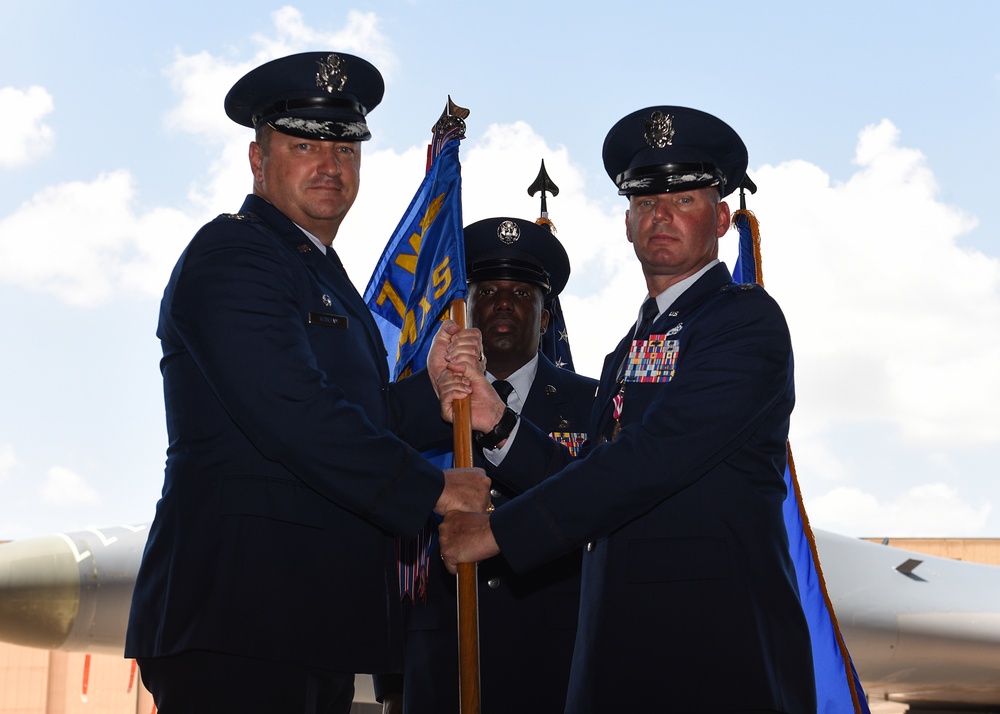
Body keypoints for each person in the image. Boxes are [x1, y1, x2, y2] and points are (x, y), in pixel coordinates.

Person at [123, 52, 489, 714]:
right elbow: (293, 412)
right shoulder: (232, 255)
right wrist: (432, 489)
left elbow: (357, 411)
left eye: (346, 150)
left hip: (304, 619)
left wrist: (429, 392)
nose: (331, 166)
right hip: (238, 617)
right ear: (258, 161)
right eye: (304, 145)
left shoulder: (318, 271)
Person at [436, 107, 817, 712]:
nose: (660, 214)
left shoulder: (745, 322)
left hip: (712, 658)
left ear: (721, 218)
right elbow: (588, 478)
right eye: (644, 202)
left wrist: (498, 532)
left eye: (683, 200)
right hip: (616, 661)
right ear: (627, 223)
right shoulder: (624, 353)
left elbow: (652, 459)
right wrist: (495, 420)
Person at [379, 217, 598, 713]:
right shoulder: (420, 407)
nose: (503, 303)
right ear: (465, 312)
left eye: (522, 294)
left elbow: (596, 513)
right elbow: (387, 534)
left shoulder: (594, 403)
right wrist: (392, 677)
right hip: (439, 662)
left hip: (555, 658)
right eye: (488, 291)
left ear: (545, 319)